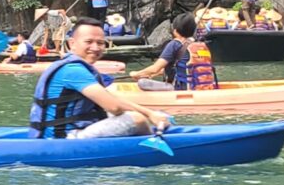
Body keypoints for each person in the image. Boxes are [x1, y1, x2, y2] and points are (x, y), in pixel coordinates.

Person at [31, 20, 172, 139]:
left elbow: (111, 100)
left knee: (127, 114)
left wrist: (152, 112)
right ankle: (152, 148)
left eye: (100, 43)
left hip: (61, 133)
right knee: (137, 119)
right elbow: (114, 107)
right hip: (63, 138)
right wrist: (149, 114)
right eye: (89, 42)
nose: (95, 47)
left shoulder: (74, 67)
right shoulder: (74, 71)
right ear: (72, 43)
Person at [133, 14, 218, 92]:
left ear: (175, 31)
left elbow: (155, 68)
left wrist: (136, 74)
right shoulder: (200, 45)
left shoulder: (175, 44)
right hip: (204, 88)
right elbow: (182, 68)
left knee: (142, 82)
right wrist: (153, 74)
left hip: (181, 89)